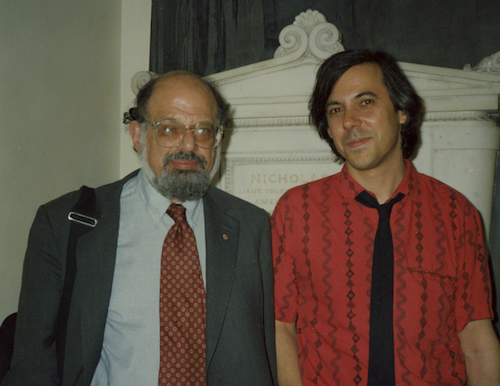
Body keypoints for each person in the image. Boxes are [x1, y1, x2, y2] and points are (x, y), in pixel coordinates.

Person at [4, 71, 277, 386]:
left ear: (218, 140)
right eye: (169, 129)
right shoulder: (66, 224)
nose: (189, 144)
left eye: (204, 130)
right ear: (137, 135)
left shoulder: (251, 226)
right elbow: (31, 365)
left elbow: (263, 355)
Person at [272, 50, 500, 386]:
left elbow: (478, 341)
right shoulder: (296, 211)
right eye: (336, 110)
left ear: (402, 110)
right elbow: (281, 327)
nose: (350, 121)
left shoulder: (457, 214)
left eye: (365, 102)